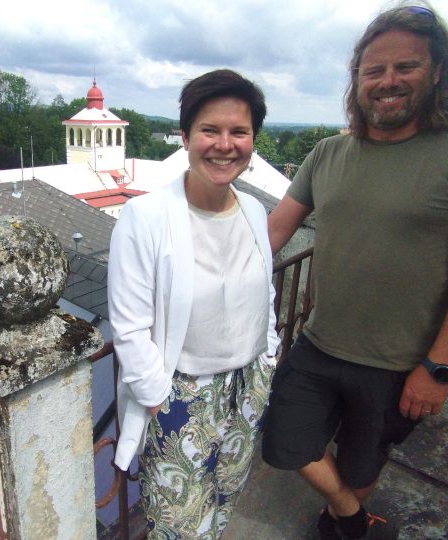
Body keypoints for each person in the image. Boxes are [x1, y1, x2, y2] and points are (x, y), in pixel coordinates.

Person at [262, 4, 448, 539]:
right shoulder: (328, 153)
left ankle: (339, 522)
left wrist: (439, 367)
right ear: (357, 81)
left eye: (406, 67)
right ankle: (354, 521)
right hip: (318, 343)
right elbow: (271, 233)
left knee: (362, 467)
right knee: (285, 440)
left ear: (438, 71)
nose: (388, 82)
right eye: (373, 71)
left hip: (400, 364)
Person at [107, 69, 281, 538]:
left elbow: (264, 290)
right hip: (181, 398)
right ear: (185, 136)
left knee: (224, 503)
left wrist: (268, 355)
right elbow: (128, 325)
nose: (224, 144)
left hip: (248, 388)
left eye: (238, 131)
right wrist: (158, 397)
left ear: (252, 140)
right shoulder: (145, 218)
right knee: (179, 525)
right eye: (210, 130)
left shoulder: (254, 210)